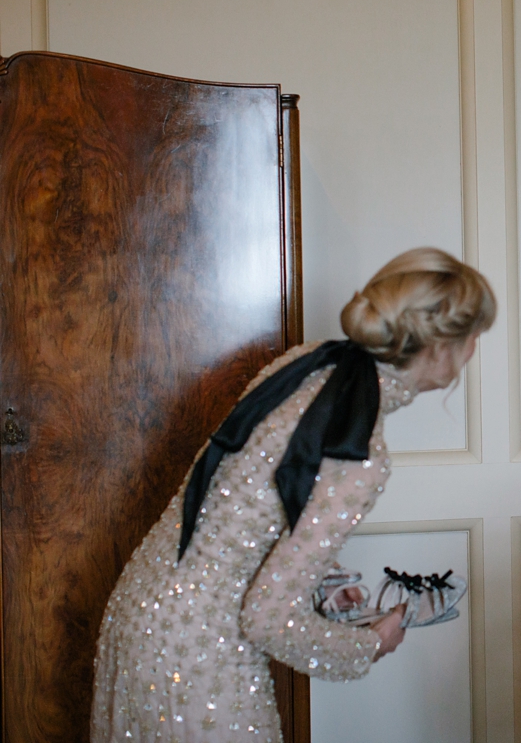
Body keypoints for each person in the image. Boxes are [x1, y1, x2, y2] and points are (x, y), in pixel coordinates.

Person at [91, 247, 496, 742]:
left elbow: (247, 498)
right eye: (474, 337)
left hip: (141, 609)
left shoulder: (304, 363)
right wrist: (368, 644)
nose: (475, 351)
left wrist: (321, 579)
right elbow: (267, 621)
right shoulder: (361, 454)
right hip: (198, 649)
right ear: (438, 349)